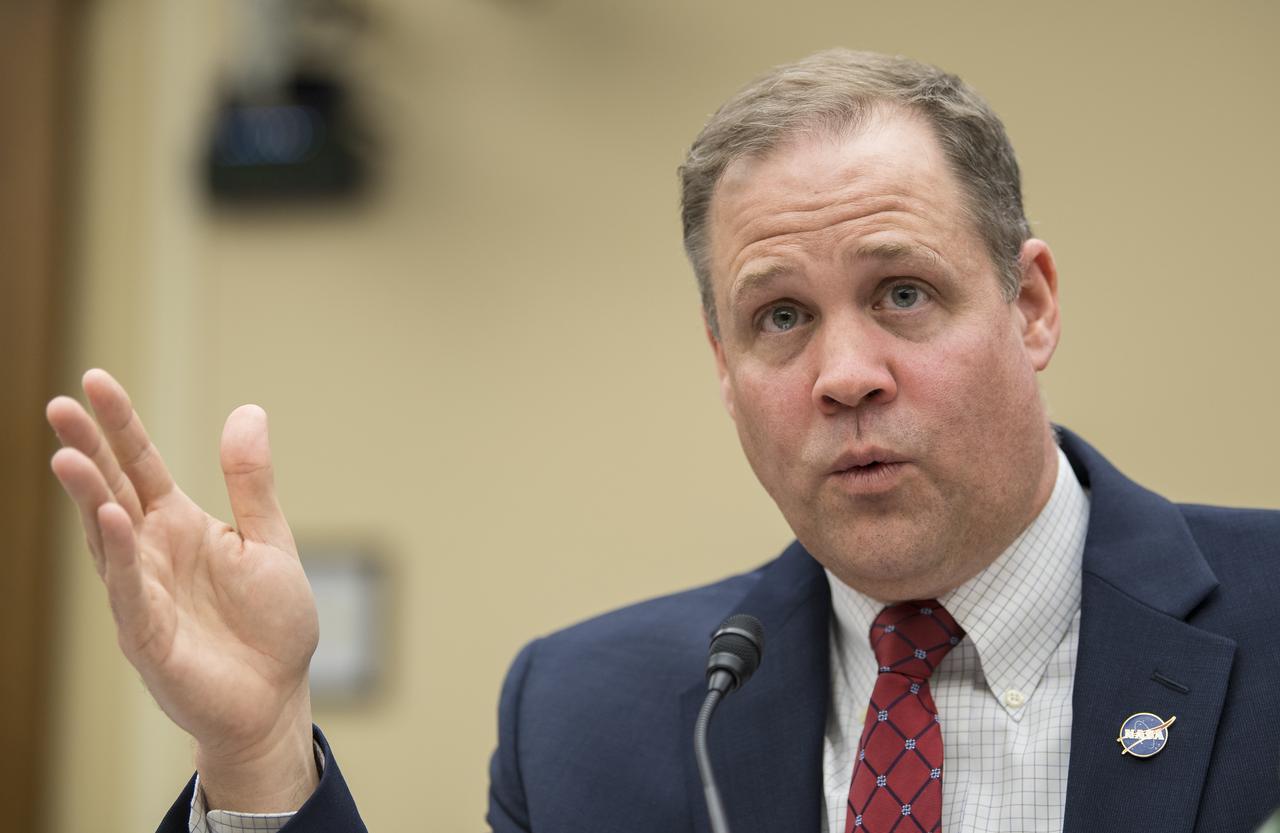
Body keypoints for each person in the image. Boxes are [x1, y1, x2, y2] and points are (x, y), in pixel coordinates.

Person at [47, 49, 1280, 833]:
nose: (844, 373)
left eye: (902, 291)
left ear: (1030, 302)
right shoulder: (593, 712)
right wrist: (256, 747)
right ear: (723, 366)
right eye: (779, 317)